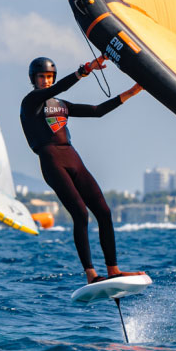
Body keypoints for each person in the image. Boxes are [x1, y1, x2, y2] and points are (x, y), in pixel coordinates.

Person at [20, 56, 144, 284]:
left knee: (104, 212)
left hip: (71, 156)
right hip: (51, 159)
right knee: (81, 214)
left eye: (49, 77)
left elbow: (97, 111)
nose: (46, 81)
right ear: (34, 79)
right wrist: (85, 70)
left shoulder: (60, 105)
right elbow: (58, 88)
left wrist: (132, 92)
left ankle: (113, 269)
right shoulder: (30, 102)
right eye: (41, 77)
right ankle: (91, 275)